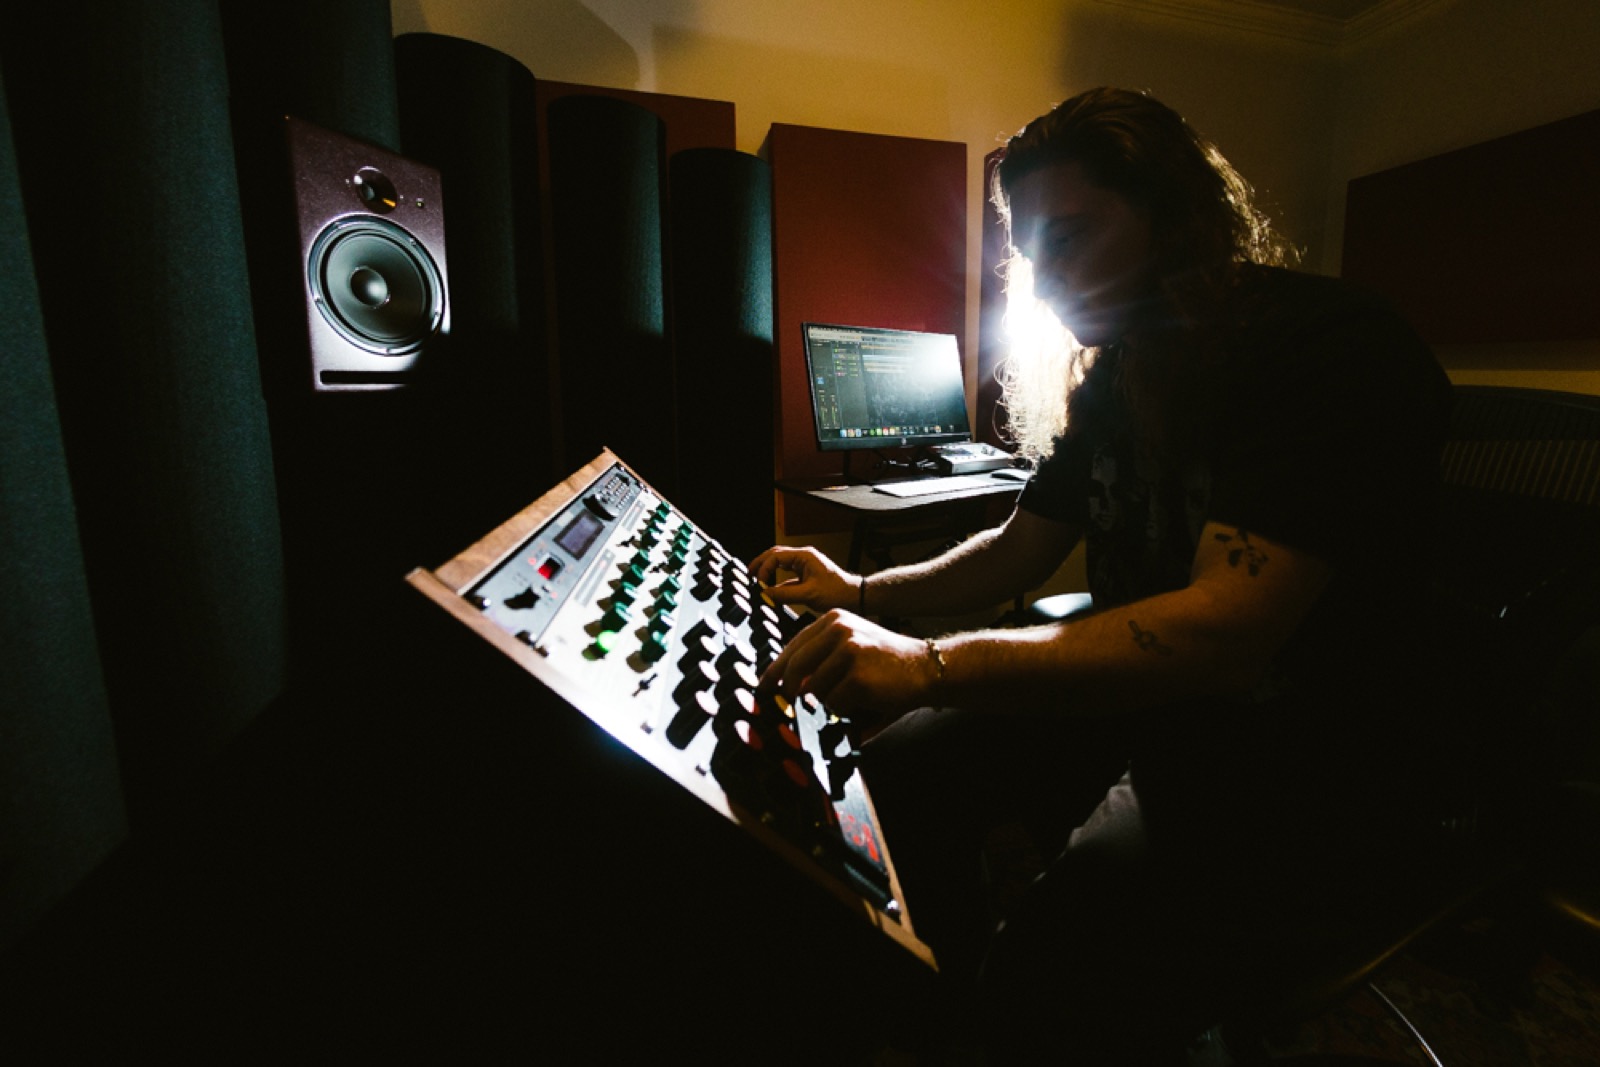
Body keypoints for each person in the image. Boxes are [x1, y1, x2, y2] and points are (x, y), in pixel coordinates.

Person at [752, 87, 1453, 1064]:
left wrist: (930, 665)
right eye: (1033, 256)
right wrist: (860, 592)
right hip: (1163, 707)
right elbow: (1018, 547)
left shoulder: (1326, 349)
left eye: (1072, 240)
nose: (1045, 286)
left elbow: (1226, 633)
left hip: (1308, 756)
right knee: (893, 775)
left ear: (1173, 215)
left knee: (1057, 968)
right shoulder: (1123, 373)